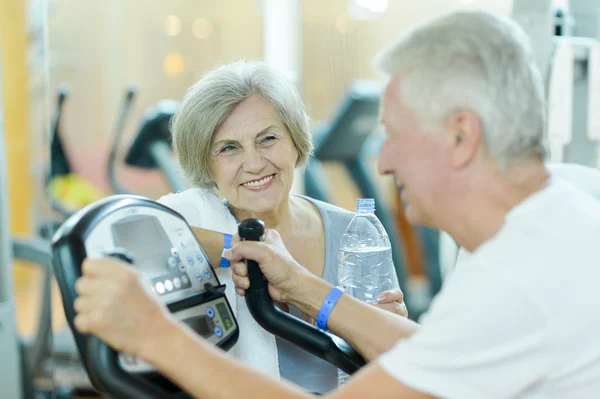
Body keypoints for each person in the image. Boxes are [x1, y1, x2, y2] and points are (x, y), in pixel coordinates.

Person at [73, 9, 600, 398]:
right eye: (229, 148)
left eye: (394, 136)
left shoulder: (515, 283)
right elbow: (425, 351)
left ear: (461, 137)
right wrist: (303, 287)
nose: (386, 162)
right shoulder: (570, 201)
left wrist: (158, 338)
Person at [153, 60, 406, 393]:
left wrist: (386, 325)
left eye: (267, 139)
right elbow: (136, 244)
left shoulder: (356, 234)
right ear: (205, 162)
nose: (255, 163)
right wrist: (242, 251)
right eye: (229, 148)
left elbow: (404, 366)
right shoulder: (195, 223)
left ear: (294, 140)